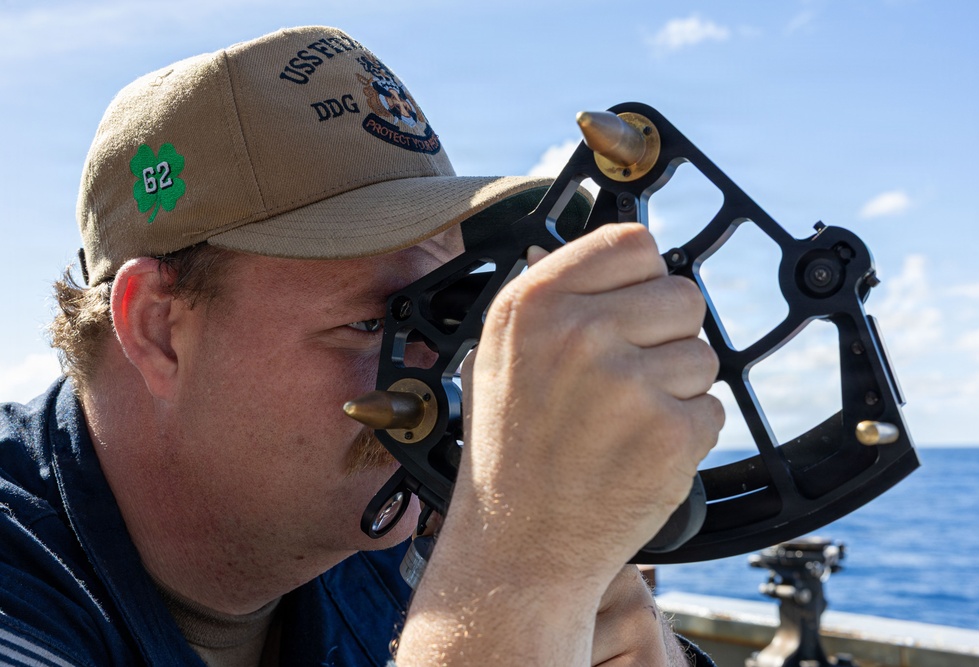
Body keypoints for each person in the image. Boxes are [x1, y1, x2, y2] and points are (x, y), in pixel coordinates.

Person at [0, 25, 723, 666]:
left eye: (447, 312)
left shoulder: (371, 528)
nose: (436, 374)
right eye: (374, 323)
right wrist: (516, 581)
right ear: (158, 329)